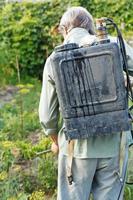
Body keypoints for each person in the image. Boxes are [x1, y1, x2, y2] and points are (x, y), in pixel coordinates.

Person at [39, 7, 133, 200]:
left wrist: (55, 141)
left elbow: (47, 116)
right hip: (116, 144)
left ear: (64, 29)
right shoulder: (114, 44)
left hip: (76, 148)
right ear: (91, 27)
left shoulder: (54, 59)